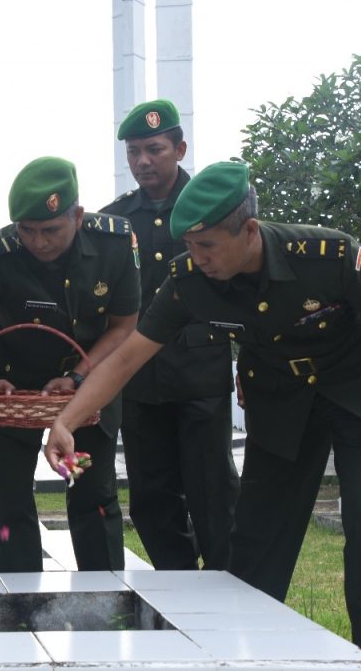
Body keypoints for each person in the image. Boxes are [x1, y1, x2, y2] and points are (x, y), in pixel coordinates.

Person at [46, 161, 361, 671]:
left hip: (360, 393)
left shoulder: (329, 255)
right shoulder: (189, 281)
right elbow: (129, 356)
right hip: (281, 401)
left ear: (248, 230)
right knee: (256, 542)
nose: (196, 257)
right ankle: (243, 659)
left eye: (207, 246)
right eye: (189, 246)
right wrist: (67, 421)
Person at [0, 156, 140, 572]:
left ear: (77, 217)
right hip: (12, 386)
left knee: (93, 495)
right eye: (27, 230)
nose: (39, 242)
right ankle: (19, 599)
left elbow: (123, 327)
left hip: (90, 379)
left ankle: (105, 594)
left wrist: (78, 376)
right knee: (11, 499)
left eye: (51, 230)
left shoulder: (115, 243)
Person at [101, 99, 237, 570]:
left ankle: (226, 584)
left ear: (180, 149)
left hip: (201, 375)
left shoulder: (216, 209)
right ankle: (177, 585)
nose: (143, 161)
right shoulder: (115, 221)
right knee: (150, 496)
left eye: (154, 149)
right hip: (140, 378)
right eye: (133, 152)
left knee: (212, 490)